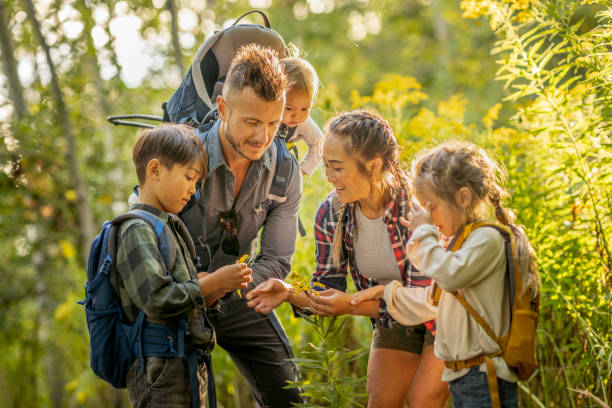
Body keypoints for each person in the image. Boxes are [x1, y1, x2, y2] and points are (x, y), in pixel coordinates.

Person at [246, 110, 450, 408]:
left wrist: (350, 307)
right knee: (381, 401)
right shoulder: (332, 213)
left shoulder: (414, 210)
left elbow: (423, 302)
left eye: (337, 167)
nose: (328, 177)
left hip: (445, 315)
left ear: (374, 165)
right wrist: (289, 293)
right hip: (391, 317)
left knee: (422, 400)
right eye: (326, 165)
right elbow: (328, 291)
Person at [350, 141, 540, 408]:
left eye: (432, 207)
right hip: (464, 376)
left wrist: (424, 233)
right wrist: (387, 293)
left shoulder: (487, 239)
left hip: (485, 377)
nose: (429, 217)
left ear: (462, 198)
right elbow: (435, 302)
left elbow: (450, 276)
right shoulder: (465, 243)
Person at [179, 44, 304, 407]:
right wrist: (202, 287)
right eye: (251, 121)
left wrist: (229, 287)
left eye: (272, 124)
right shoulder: (183, 156)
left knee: (291, 397)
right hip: (182, 296)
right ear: (222, 108)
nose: (262, 137)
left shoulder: (285, 171)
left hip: (242, 294)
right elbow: (147, 237)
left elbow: (277, 260)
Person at [116, 124, 252, 407]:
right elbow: (156, 299)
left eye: (197, 182)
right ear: (154, 170)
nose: (193, 189)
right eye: (189, 177)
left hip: (185, 362)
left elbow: (183, 296)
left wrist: (214, 290)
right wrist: (211, 283)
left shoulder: (168, 226)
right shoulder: (136, 229)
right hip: (159, 369)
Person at [277, 57, 324, 176]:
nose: (296, 115)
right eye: (289, 108)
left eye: (304, 109)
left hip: (278, 173)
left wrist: (300, 171)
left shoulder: (302, 123)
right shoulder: (263, 115)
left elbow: (319, 143)